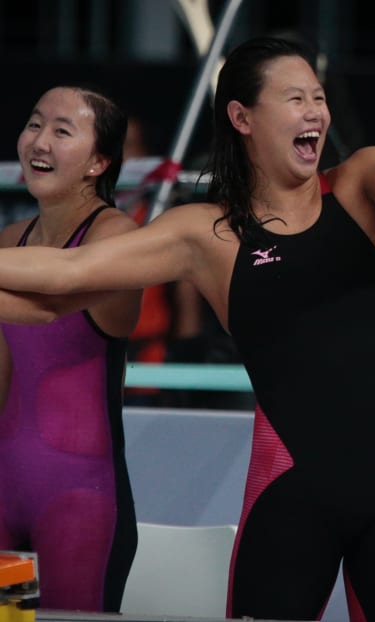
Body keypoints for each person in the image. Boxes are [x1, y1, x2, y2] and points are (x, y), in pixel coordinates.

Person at [0, 37, 375, 622]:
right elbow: (69, 270)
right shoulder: (208, 233)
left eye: (319, 97)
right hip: (288, 499)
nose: (315, 112)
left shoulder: (359, 183)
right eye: (295, 98)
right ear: (242, 117)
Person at [0, 85, 141, 611]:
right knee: (5, 620)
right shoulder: (11, 238)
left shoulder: (115, 240)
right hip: (4, 489)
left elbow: (48, 302)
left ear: (98, 161)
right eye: (35, 124)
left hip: (81, 501)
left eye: (62, 131)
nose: (40, 141)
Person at [120, 114, 206, 407]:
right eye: (110, 148)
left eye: (128, 147)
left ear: (146, 156)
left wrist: (185, 368)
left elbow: (186, 297)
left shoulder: (165, 220)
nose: (119, 158)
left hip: (149, 373)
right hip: (92, 366)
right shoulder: (83, 219)